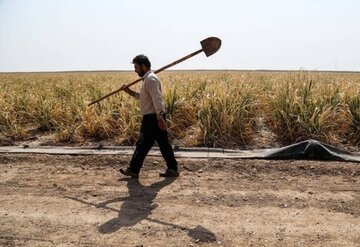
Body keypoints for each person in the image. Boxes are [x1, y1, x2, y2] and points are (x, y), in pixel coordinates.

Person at [119, 54, 179, 178]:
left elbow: (158, 100)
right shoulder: (147, 79)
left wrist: (160, 117)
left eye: (136, 67)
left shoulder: (151, 79)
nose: (135, 70)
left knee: (142, 144)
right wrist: (129, 91)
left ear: (144, 66)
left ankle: (134, 169)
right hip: (153, 117)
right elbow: (144, 98)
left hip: (153, 118)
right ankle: (172, 168)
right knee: (163, 144)